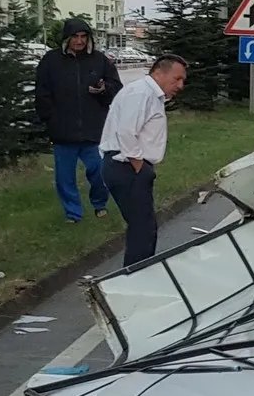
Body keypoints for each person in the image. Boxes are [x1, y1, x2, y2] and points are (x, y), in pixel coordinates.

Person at [99, 55, 188, 267]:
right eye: (177, 79)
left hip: (130, 166)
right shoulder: (141, 93)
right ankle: (134, 277)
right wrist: (138, 165)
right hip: (126, 166)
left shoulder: (149, 94)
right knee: (142, 229)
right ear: (159, 73)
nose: (180, 85)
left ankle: (138, 273)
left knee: (143, 227)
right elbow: (127, 132)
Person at [33, 18, 123, 224]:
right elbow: (41, 93)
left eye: (84, 37)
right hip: (62, 130)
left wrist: (103, 90)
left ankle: (99, 204)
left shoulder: (99, 60)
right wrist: (48, 119)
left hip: (94, 130)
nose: (80, 41)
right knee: (65, 178)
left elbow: (117, 88)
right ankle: (73, 214)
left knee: (99, 172)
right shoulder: (51, 61)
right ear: (66, 39)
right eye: (75, 37)